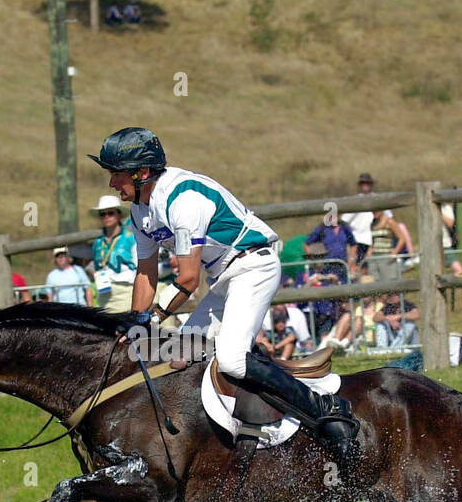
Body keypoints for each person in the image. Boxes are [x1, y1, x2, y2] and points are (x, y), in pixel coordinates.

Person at [89, 126, 358, 459]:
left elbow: (187, 280)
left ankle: (326, 411)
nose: (112, 184)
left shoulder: (183, 200)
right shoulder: (140, 212)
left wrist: (152, 318)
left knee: (230, 358)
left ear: (142, 172)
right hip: (224, 278)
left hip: (254, 267)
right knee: (179, 357)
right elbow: (145, 274)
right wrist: (134, 322)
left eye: (116, 175)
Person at [89, 194, 138, 312]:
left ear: (119, 214)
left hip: (125, 291)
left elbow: (138, 267)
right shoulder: (98, 242)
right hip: (103, 293)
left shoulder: (131, 238)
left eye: (110, 213)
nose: (106, 217)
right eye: (102, 214)